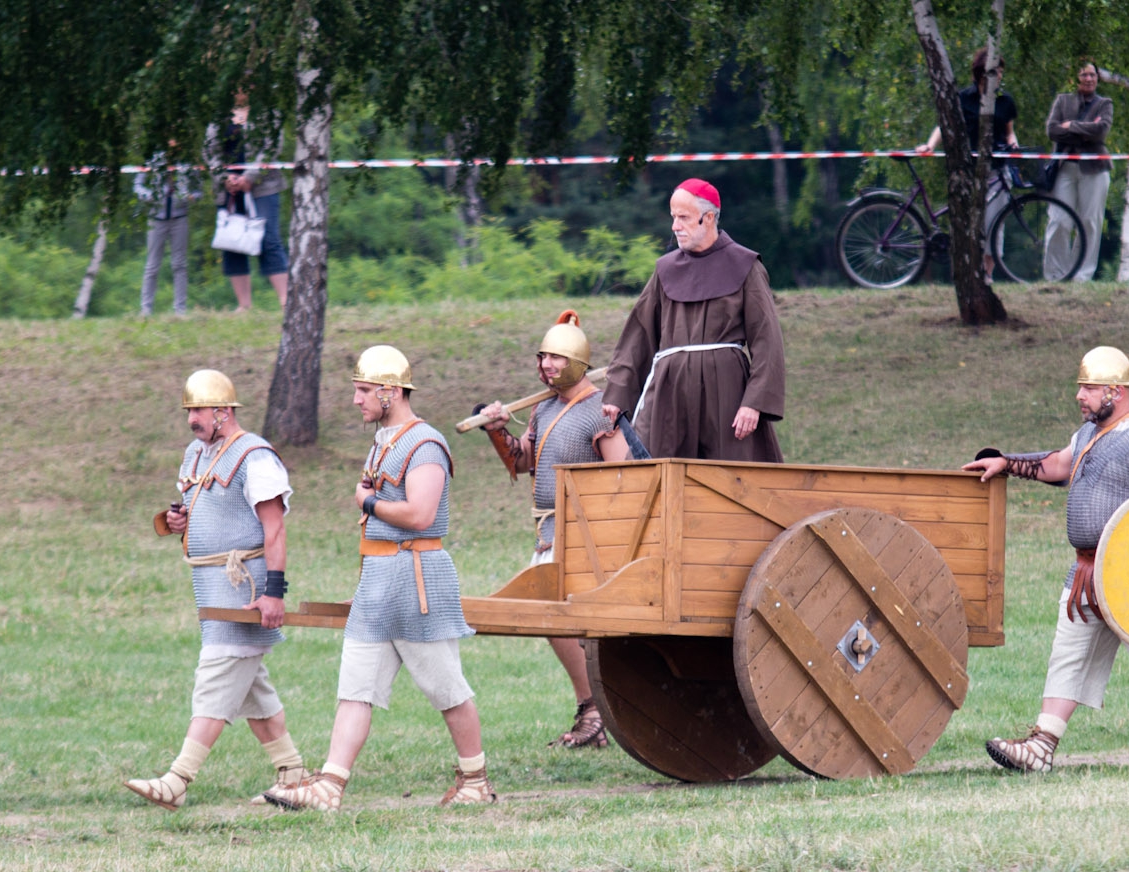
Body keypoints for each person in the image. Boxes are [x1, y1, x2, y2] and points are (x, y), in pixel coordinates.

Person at [266, 346, 495, 811]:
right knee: (355, 688)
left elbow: (420, 513)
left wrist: (367, 503)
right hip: (378, 582)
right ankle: (329, 787)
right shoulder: (383, 442)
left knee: (447, 688)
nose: (356, 400)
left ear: (391, 393)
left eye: (364, 390)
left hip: (416, 581)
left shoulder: (425, 443)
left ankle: (475, 780)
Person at [963, 346, 1129, 772]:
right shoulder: (1087, 436)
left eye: (1089, 387)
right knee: (1069, 653)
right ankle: (1041, 746)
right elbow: (1059, 464)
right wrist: (1006, 463)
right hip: (1086, 573)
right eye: (1080, 386)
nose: (1080, 395)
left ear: (1116, 391)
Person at [125, 370, 307, 809]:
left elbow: (275, 530)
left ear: (224, 412)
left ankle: (178, 779)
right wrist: (178, 522)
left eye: (199, 410)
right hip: (210, 587)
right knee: (250, 686)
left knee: (217, 676)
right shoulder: (196, 454)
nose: (192, 419)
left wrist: (274, 592)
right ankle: (295, 775)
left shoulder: (255, 456)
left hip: (245, 587)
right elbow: (198, 509)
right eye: (189, 410)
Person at [476, 311, 630, 748]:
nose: (546, 366)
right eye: (543, 357)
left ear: (578, 363)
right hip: (548, 532)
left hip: (583, 535)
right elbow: (524, 461)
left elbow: (626, 475)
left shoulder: (600, 411)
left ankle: (596, 708)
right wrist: (497, 431)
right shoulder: (543, 408)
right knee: (551, 620)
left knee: (558, 618)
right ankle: (592, 706)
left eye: (556, 360)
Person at [601, 178, 785, 463]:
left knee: (733, 481)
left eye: (683, 217)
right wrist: (618, 392)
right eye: (673, 217)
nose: (675, 226)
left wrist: (754, 403)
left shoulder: (745, 266)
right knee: (657, 476)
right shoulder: (665, 270)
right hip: (669, 395)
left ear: (708, 218)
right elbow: (638, 336)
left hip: (727, 396)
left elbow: (767, 341)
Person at [916, 47, 1020, 275]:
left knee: (993, 224)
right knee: (966, 224)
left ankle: (988, 274)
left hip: (997, 170)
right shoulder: (963, 98)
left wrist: (1014, 144)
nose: (999, 76)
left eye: (1001, 72)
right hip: (967, 170)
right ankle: (968, 274)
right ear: (981, 73)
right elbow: (945, 126)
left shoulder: (1006, 101)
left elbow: (1009, 132)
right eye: (994, 72)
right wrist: (930, 145)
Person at [206, 99, 289, 311]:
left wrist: (250, 176)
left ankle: (286, 301)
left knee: (268, 240)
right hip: (229, 190)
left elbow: (271, 146)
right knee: (232, 243)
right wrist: (224, 177)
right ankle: (244, 305)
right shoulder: (218, 116)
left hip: (263, 186)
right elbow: (209, 151)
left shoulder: (268, 111)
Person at [1044, 63, 1113, 282]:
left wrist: (1070, 126)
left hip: (1095, 170)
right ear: (1076, 77)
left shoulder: (1105, 104)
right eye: (1084, 74)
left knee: (1090, 222)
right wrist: (1085, 129)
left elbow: (1101, 131)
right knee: (1059, 221)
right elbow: (1052, 130)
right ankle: (1056, 275)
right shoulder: (1063, 100)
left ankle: (1081, 276)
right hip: (1064, 168)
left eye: (1093, 74)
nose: (1089, 78)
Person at [133, 141, 206, 316]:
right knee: (152, 265)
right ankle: (146, 308)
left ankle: (180, 309)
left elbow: (200, 190)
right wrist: (148, 196)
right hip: (156, 218)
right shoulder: (152, 159)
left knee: (179, 264)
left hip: (179, 217)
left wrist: (192, 197)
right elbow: (137, 185)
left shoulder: (188, 162)